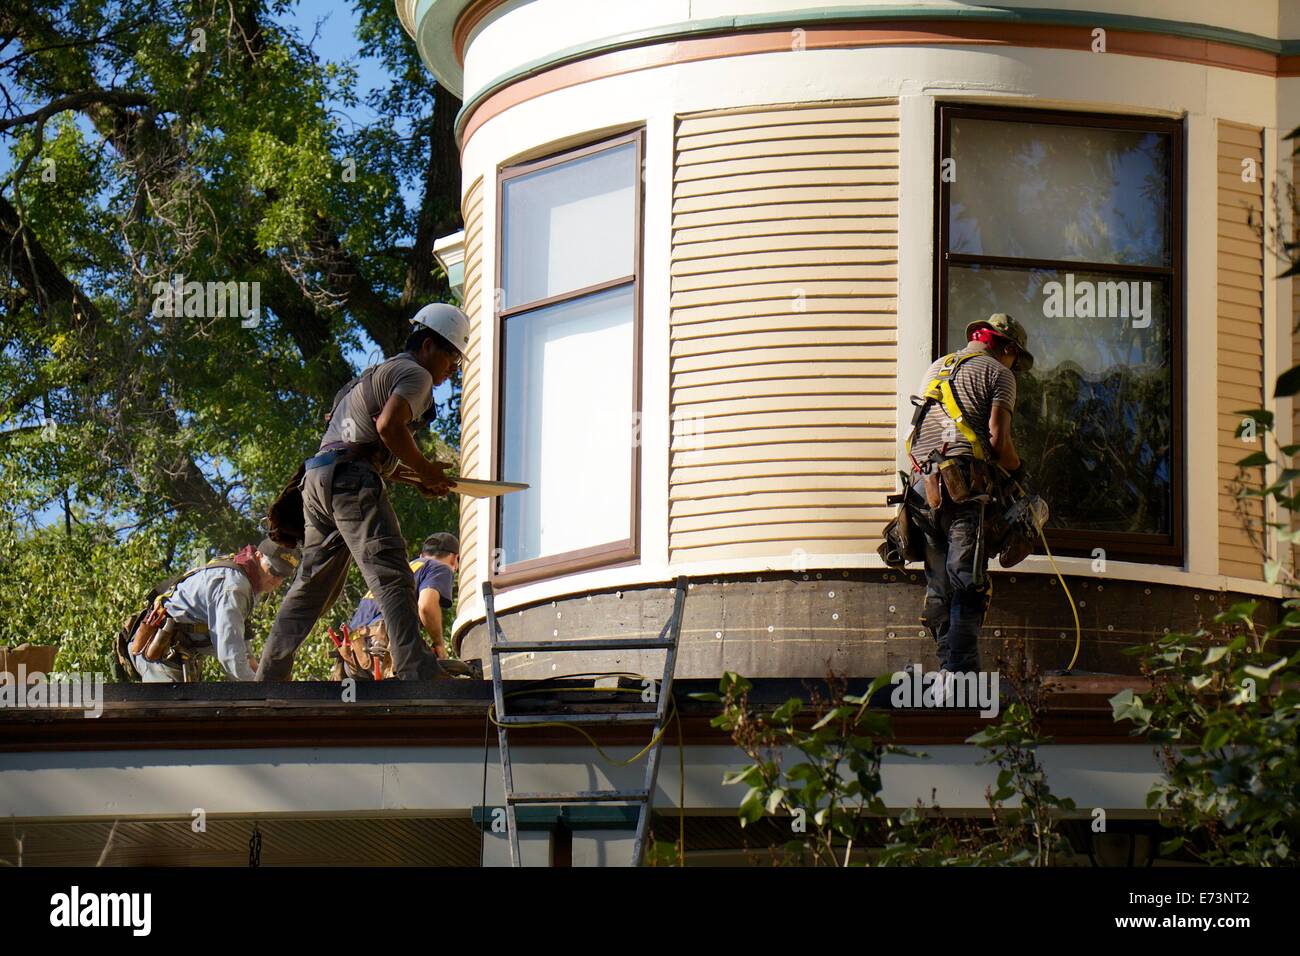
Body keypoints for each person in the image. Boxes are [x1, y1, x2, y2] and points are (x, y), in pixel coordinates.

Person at [255, 303, 469, 681]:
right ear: (428, 346)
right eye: (453, 355)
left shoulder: (374, 374)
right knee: (392, 573)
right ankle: (416, 668)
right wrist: (424, 468)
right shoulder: (416, 375)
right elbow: (389, 427)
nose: (454, 367)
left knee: (311, 588)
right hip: (351, 479)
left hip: (319, 480)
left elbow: (364, 442)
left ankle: (269, 677)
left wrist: (420, 477)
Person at [902, 312, 1032, 676]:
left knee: (940, 585)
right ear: (1007, 348)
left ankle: (947, 672)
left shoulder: (938, 367)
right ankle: (960, 677)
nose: (1014, 367)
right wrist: (1018, 472)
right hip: (963, 487)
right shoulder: (999, 373)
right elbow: (998, 439)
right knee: (967, 582)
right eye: (1015, 359)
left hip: (921, 488)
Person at [122, 539, 300, 682]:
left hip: (182, 656)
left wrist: (258, 674)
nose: (277, 581)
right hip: (161, 651)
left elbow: (240, 637)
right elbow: (229, 651)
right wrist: (258, 690)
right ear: (259, 555)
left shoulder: (249, 580)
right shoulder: (234, 586)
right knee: (167, 719)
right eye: (274, 571)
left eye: (283, 575)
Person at [335, 532, 459, 680]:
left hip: (352, 662)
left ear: (421, 555)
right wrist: (439, 644)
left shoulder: (403, 569)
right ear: (454, 558)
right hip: (380, 650)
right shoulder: (439, 567)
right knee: (446, 688)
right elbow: (426, 606)